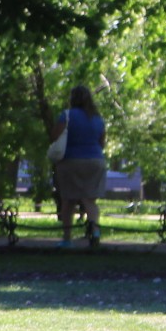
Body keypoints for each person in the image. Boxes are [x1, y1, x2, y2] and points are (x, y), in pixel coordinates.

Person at [49, 85, 107, 248]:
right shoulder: (98, 118)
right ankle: (95, 232)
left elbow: (55, 137)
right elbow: (101, 143)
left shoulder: (66, 116)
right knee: (90, 201)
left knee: (68, 201)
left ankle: (67, 239)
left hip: (70, 161)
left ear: (72, 98)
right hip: (95, 161)